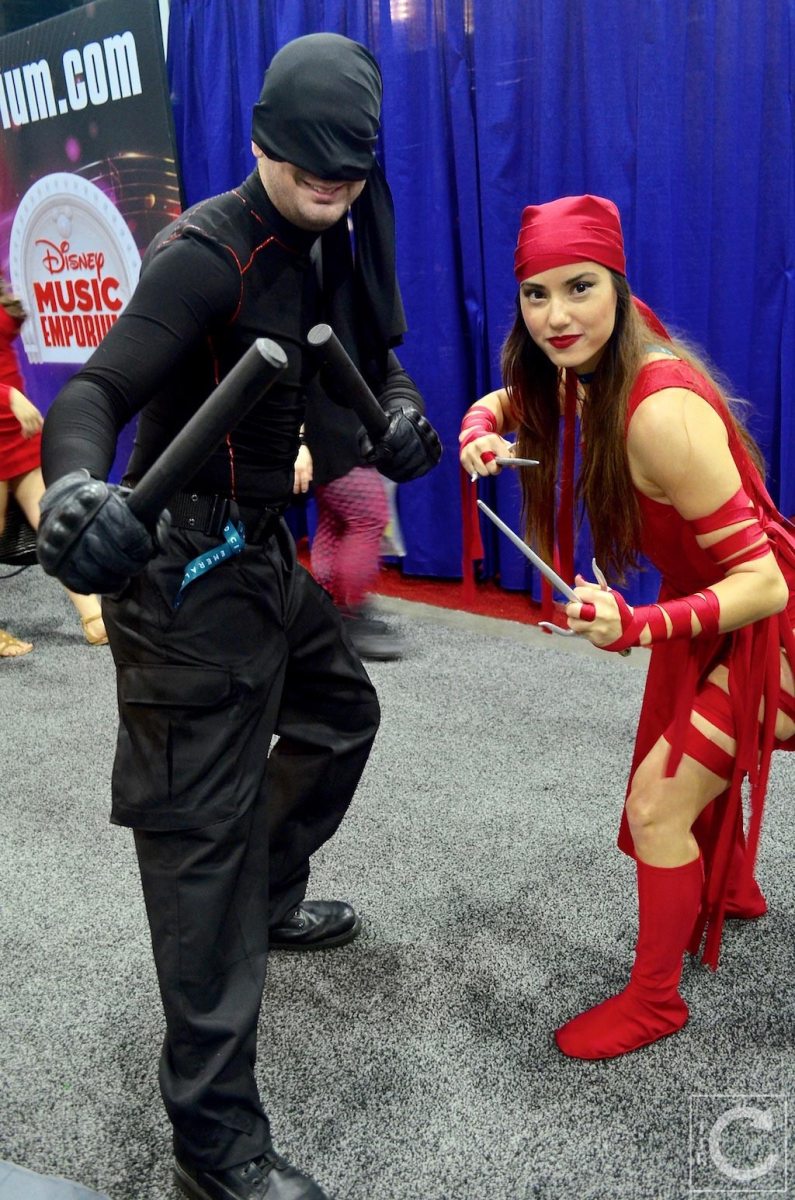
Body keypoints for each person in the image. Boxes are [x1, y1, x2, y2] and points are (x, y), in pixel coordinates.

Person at [37, 33, 440, 1200]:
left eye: (351, 170)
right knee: (196, 847)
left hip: (262, 551)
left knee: (339, 715)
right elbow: (97, 394)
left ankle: (270, 901)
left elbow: (378, 365)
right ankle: (216, 1146)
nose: (332, 185)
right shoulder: (202, 254)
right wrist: (72, 493)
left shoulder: (338, 232)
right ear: (262, 139)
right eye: (312, 166)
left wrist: (401, 418)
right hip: (179, 573)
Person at [460, 194, 795, 1060]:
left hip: (771, 625)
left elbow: (759, 583)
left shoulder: (655, 410)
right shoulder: (590, 370)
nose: (555, 316)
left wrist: (640, 624)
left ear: (615, 283)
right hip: (718, 613)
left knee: (656, 803)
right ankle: (727, 889)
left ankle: (655, 1003)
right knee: (676, 784)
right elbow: (510, 398)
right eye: (535, 295)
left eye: (578, 288)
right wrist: (478, 432)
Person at [0, 273, 107, 647]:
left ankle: (93, 617)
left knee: (54, 522)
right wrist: (7, 396)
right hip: (4, 415)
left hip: (18, 432)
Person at [293, 393, 405, 661]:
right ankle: (348, 613)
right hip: (331, 428)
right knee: (368, 518)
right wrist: (299, 441)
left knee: (335, 521)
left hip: (331, 423)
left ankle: (328, 610)